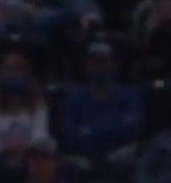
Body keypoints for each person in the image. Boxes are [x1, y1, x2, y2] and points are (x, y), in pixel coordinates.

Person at [60, 43, 142, 176]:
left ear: (113, 65)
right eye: (95, 63)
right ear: (87, 66)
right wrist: (112, 129)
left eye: (103, 62)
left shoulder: (129, 95)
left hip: (119, 155)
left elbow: (131, 130)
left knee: (132, 163)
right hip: (84, 158)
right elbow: (70, 134)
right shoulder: (76, 97)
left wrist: (89, 131)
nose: (99, 67)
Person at [0, 52, 49, 182]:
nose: (13, 76)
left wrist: (19, 149)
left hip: (29, 160)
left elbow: (40, 139)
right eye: (9, 71)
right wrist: (11, 149)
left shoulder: (38, 104)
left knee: (40, 163)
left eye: (18, 71)